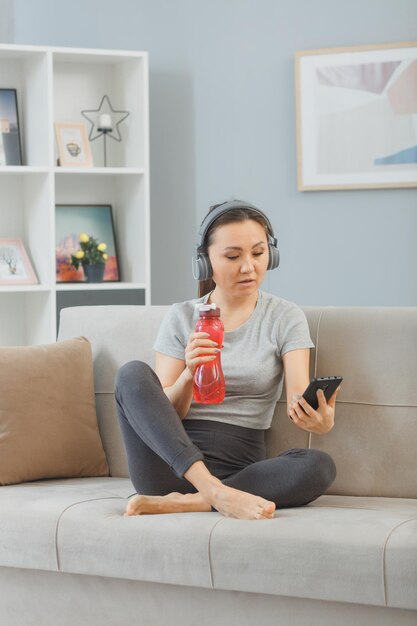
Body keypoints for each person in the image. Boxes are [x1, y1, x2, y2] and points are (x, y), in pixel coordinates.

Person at [115, 200, 340, 520]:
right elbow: (164, 414)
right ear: (204, 262)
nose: (248, 266)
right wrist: (189, 374)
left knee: (319, 466)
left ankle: (197, 500)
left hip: (241, 466)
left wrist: (320, 419)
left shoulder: (285, 317)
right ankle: (214, 493)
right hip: (168, 466)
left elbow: (298, 398)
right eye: (233, 256)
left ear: (271, 255)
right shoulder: (181, 317)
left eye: (259, 253)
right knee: (132, 374)